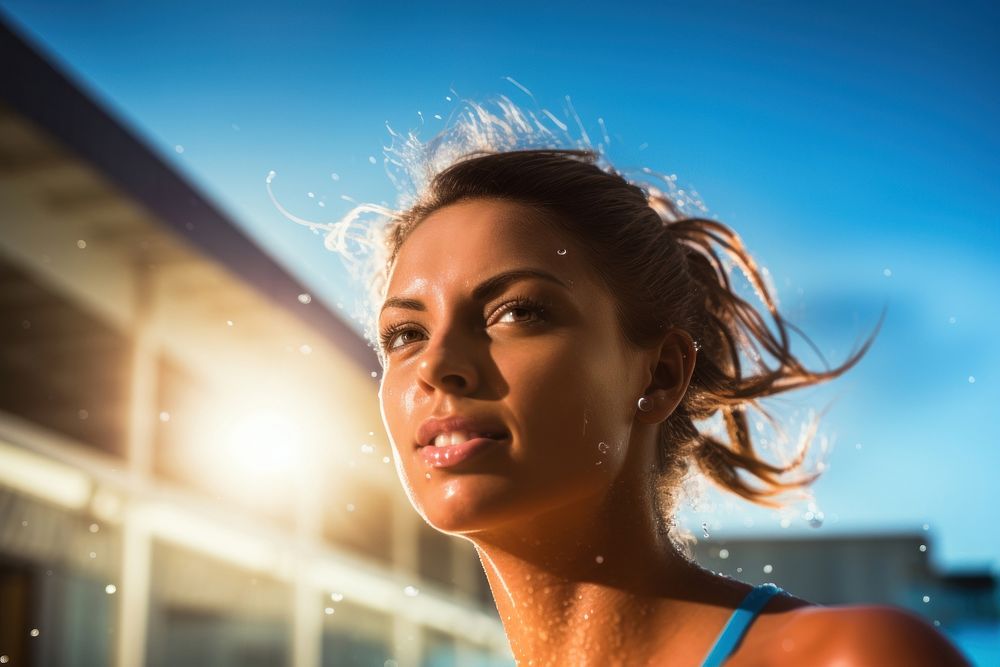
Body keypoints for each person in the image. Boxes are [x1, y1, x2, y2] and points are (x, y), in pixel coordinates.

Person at [358, 112, 969, 665]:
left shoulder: (852, 658)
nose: (436, 365)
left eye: (518, 312)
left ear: (661, 373)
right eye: (406, 333)